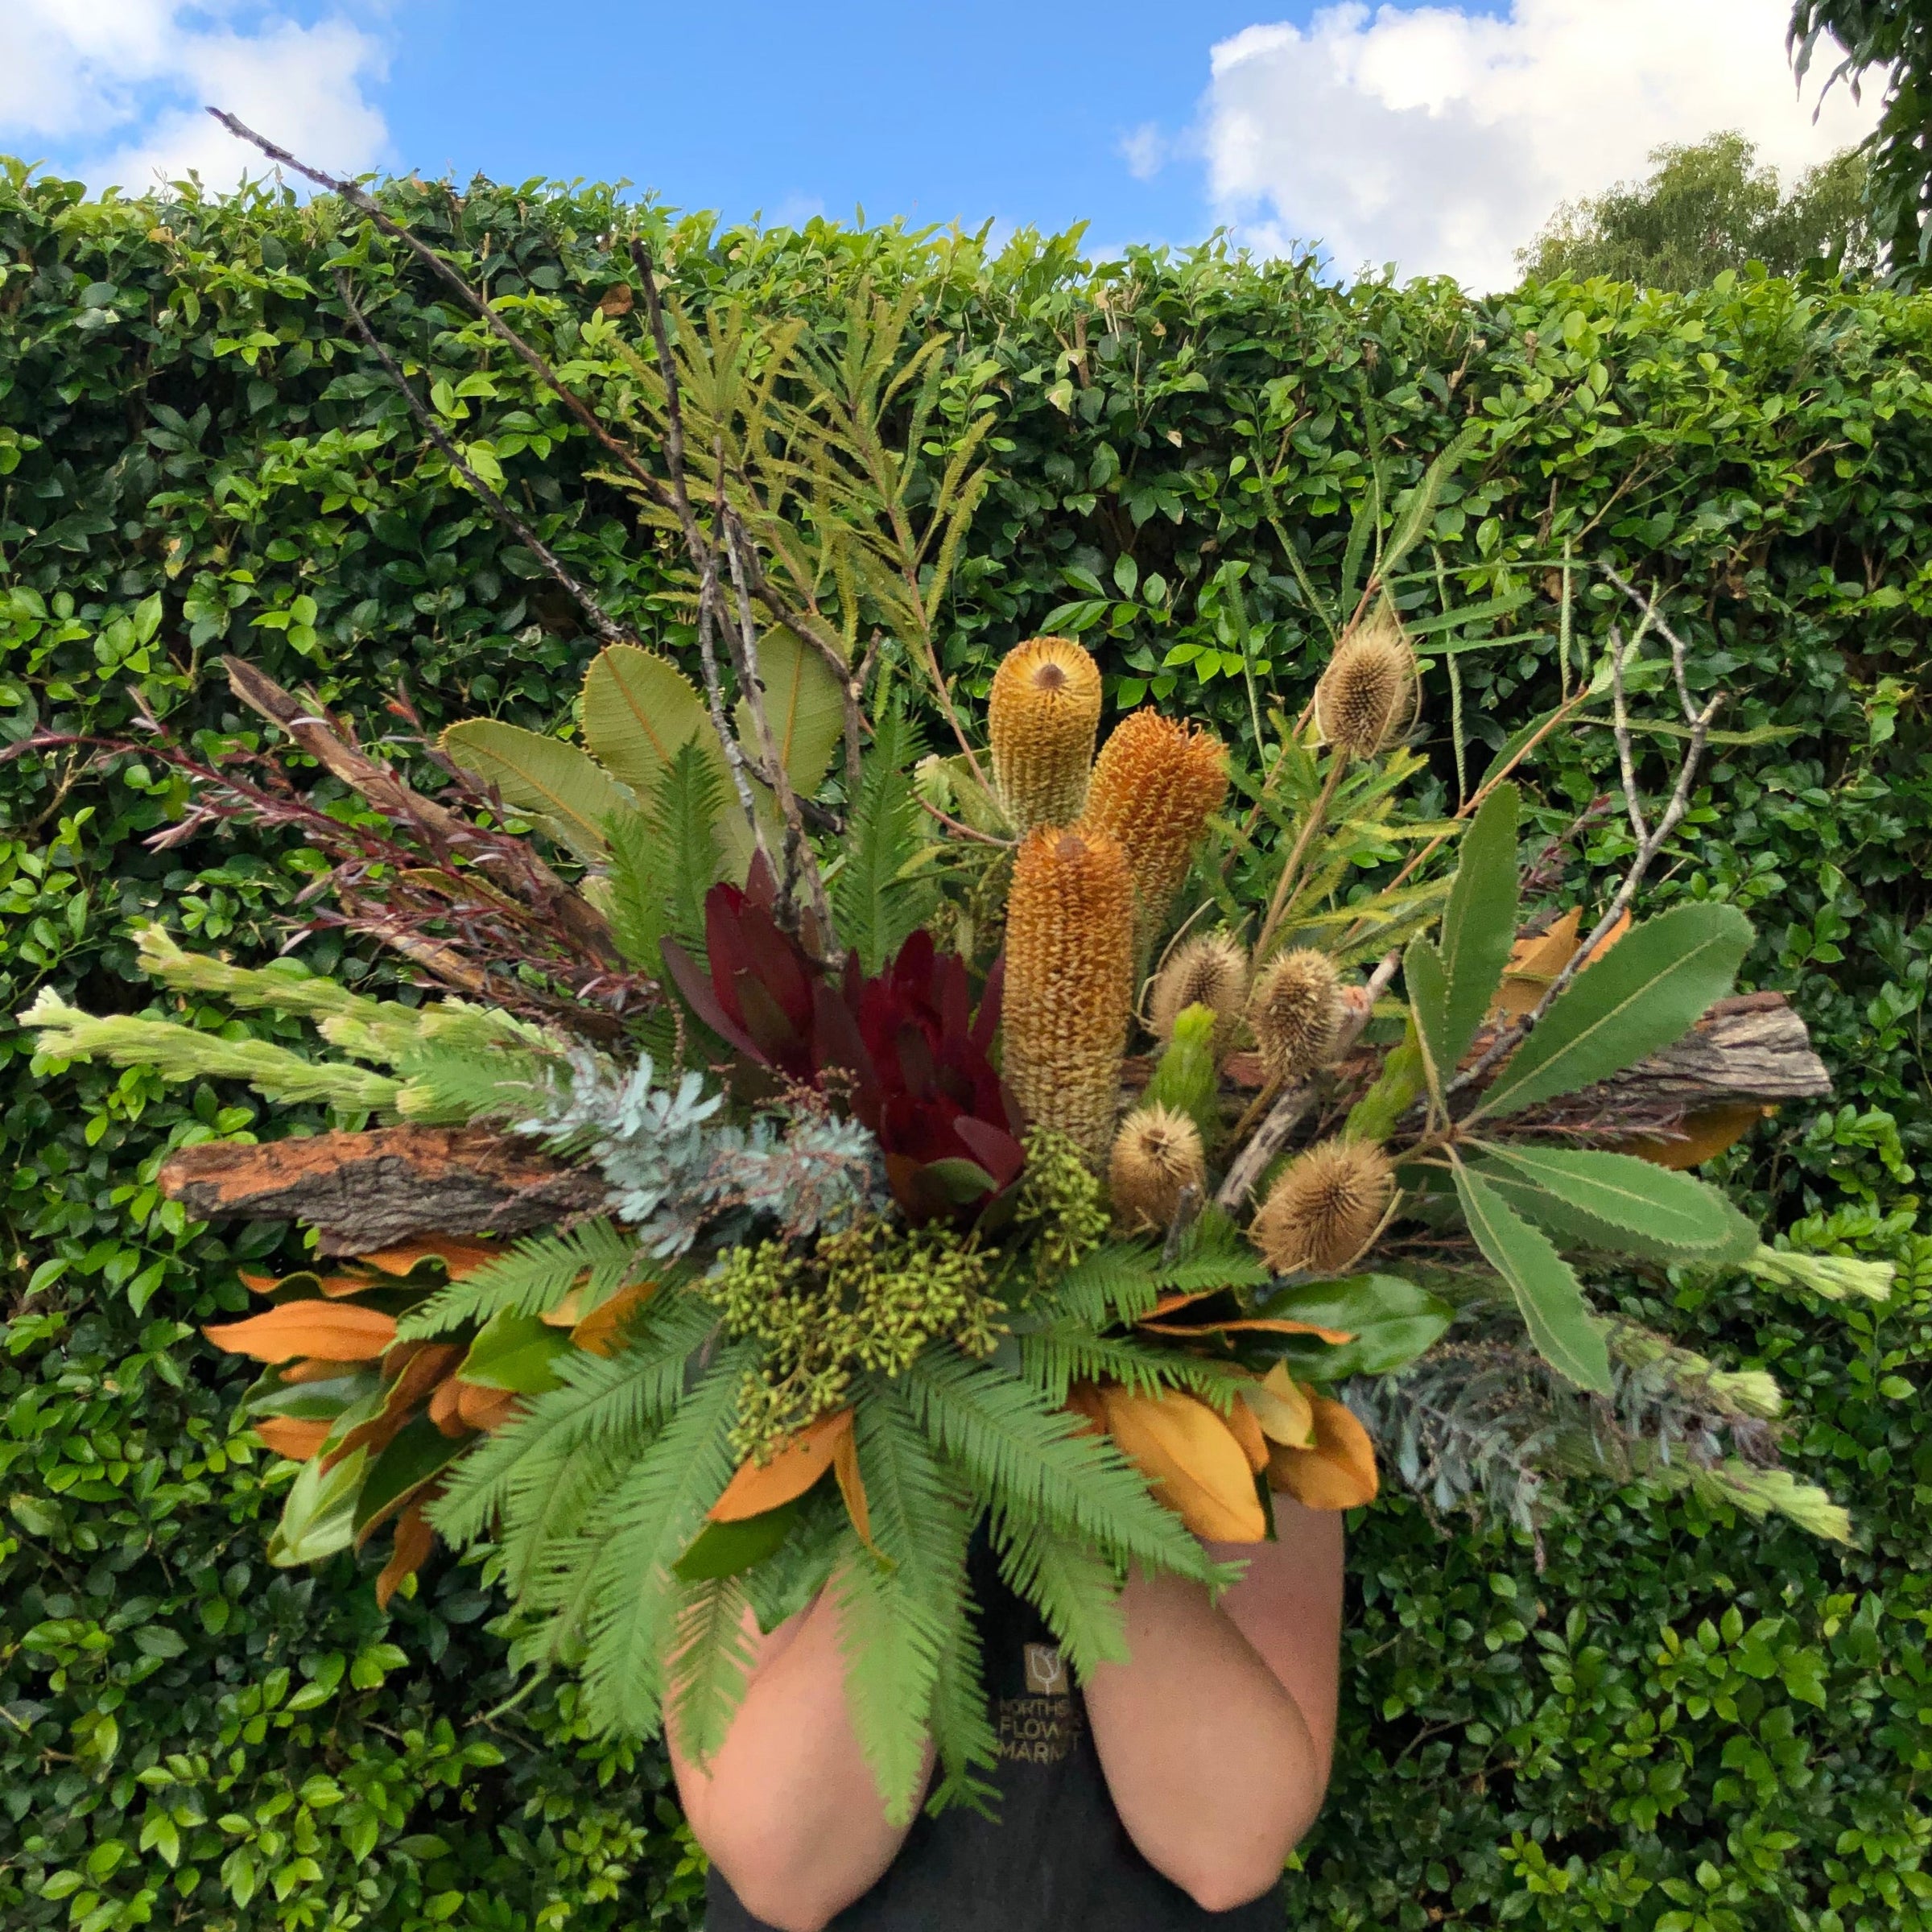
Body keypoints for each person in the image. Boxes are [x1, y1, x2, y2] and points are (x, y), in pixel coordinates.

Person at [671, 1494, 1344, 1931]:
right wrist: (920, 1441)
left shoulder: (1245, 1354)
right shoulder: (735, 1387)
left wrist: (1078, 1429)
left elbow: (1228, 1845)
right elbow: (787, 1869)